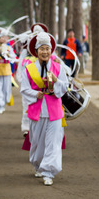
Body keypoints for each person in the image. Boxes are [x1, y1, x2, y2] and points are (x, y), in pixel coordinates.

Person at [20, 31, 69, 186]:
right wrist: (36, 94)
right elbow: (24, 89)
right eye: (42, 48)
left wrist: (55, 81)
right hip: (37, 109)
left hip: (54, 110)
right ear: (36, 51)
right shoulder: (28, 69)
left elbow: (65, 87)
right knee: (37, 142)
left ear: (51, 50)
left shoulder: (58, 68)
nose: (45, 51)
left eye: (47, 48)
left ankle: (48, 172)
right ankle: (37, 164)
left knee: (53, 142)